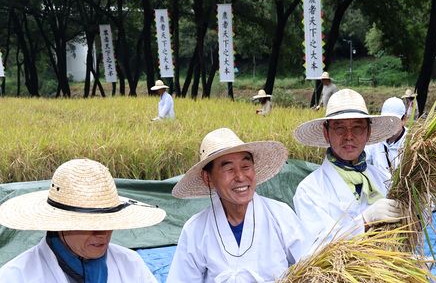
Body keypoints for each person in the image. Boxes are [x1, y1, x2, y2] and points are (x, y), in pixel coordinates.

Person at [167, 128, 310, 282]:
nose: (240, 177)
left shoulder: (280, 215)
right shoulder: (195, 229)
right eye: (229, 169)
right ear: (208, 178)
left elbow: (311, 266)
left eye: (245, 167)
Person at [0, 158, 166, 282]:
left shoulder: (131, 264)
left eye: (108, 222)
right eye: (90, 224)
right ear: (61, 225)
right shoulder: (16, 276)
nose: (102, 234)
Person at [293, 89, 406, 247]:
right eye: (340, 128)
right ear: (326, 133)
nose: (349, 136)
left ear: (368, 132)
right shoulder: (309, 190)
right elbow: (317, 248)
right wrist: (364, 221)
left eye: (357, 128)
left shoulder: (384, 179)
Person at [364, 97, 408, 174]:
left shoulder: (411, 142)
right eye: (386, 120)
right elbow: (363, 159)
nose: (389, 125)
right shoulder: (375, 140)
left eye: (394, 121)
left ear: (403, 119)